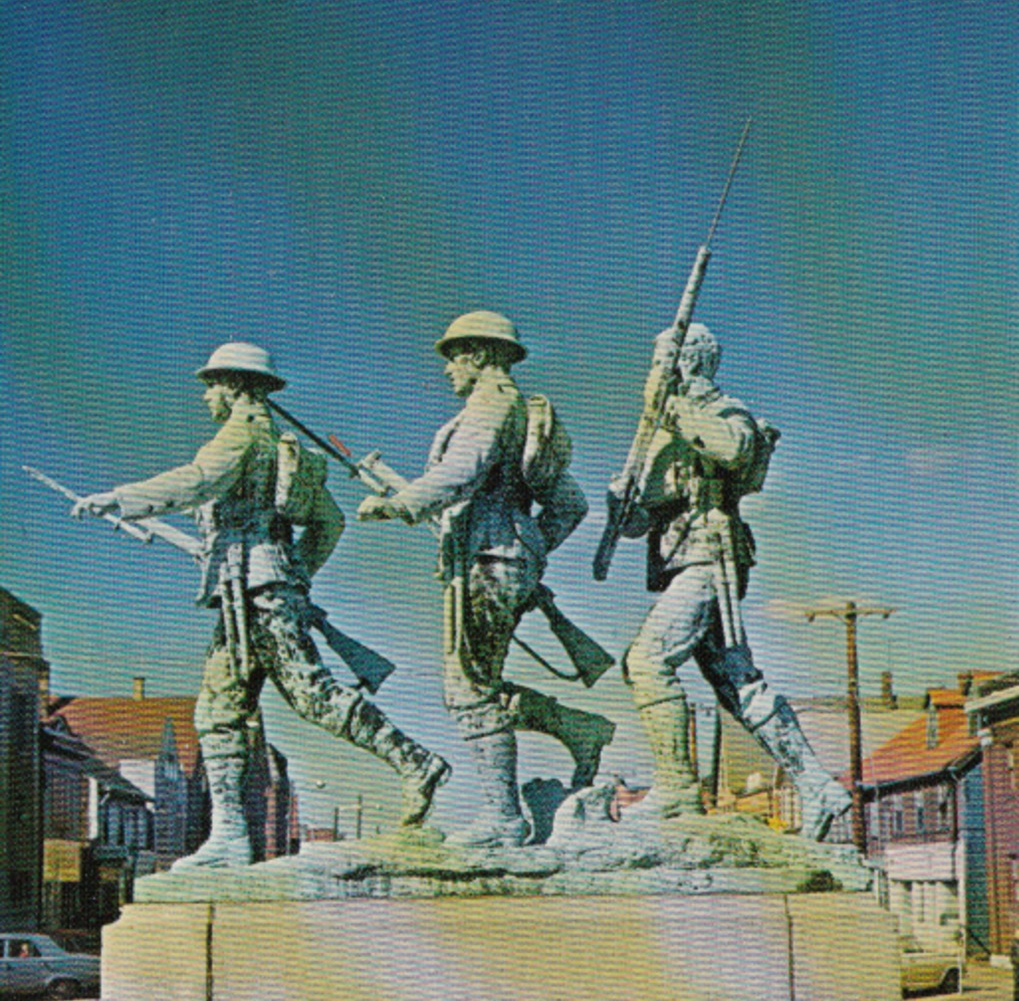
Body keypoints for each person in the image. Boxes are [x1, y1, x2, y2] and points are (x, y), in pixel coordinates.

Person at [75, 341, 449, 868]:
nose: (206, 395)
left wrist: (121, 499)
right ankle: (230, 836)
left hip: (258, 594)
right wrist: (295, 571)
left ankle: (415, 761)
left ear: (234, 386)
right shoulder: (277, 441)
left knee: (311, 696)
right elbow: (329, 523)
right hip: (247, 593)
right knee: (218, 710)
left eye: (212, 384)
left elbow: (197, 481)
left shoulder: (240, 435)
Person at [357, 310, 614, 847]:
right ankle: (576, 729)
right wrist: (531, 550)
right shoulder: (522, 410)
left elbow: (461, 472)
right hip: (498, 557)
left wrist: (399, 504)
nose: (449, 369)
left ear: (478, 355)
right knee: (478, 683)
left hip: (488, 561)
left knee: (467, 690)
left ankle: (505, 816)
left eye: (454, 357)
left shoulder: (492, 404)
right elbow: (569, 505)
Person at [615, 321, 851, 840]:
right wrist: (623, 503)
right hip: (680, 558)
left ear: (687, 361)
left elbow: (734, 451)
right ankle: (819, 786)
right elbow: (642, 518)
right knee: (737, 682)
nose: (653, 371)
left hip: (710, 557)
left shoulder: (721, 409)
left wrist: (672, 409)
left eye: (661, 360)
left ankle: (677, 788)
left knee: (647, 661)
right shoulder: (658, 427)